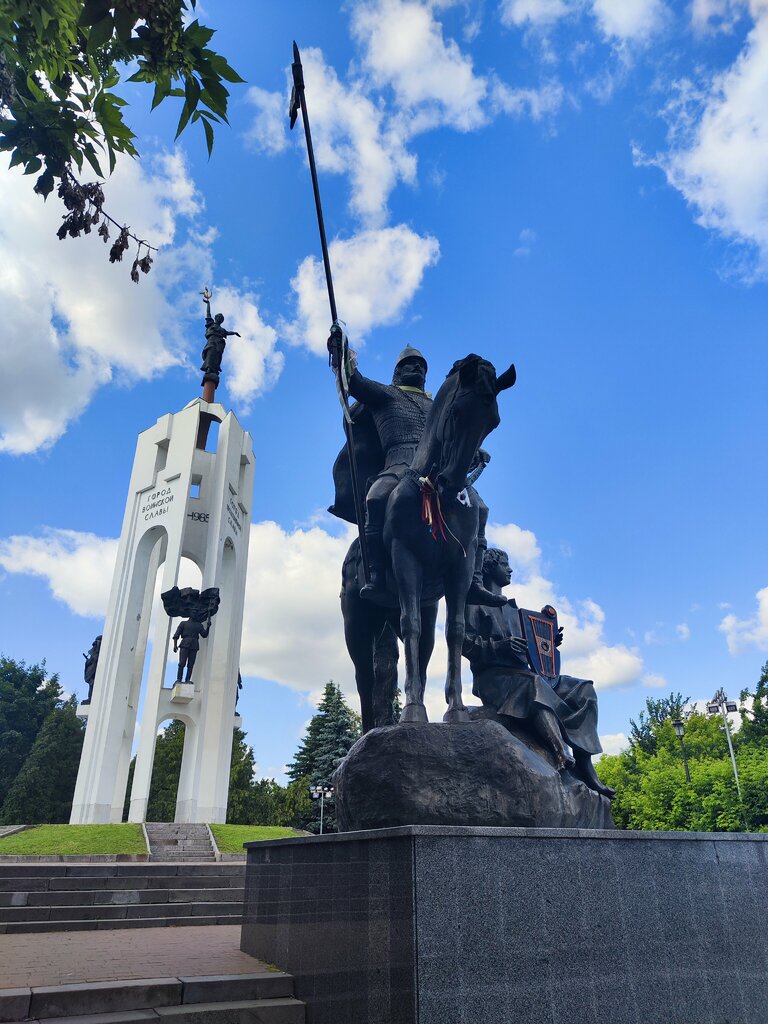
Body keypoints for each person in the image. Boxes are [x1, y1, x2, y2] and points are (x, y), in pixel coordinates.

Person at [335, 332, 502, 607]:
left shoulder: (437, 403)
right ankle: (376, 573)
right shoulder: (385, 394)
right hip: (397, 465)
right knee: (375, 498)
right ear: (397, 371)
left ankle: (474, 580)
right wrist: (340, 351)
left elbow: (456, 431)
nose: (417, 368)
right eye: (409, 364)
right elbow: (355, 382)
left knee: (480, 509)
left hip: (439, 471)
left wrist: (473, 449)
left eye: (421, 366)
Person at [463, 548, 614, 797]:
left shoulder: (516, 611)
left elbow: (533, 651)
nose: (510, 569)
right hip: (493, 678)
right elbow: (462, 642)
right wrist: (499, 646)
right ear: (489, 568)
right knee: (534, 685)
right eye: (505, 564)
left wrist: (549, 641)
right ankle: (560, 754)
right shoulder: (473, 604)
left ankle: (585, 765)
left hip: (525, 673)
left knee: (584, 690)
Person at [201, 291, 240, 383]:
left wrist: (234, 333)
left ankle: (214, 370)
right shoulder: (211, 324)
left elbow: (227, 332)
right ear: (216, 318)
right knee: (210, 355)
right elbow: (208, 313)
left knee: (217, 357)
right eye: (218, 317)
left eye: (221, 319)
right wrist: (208, 304)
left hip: (219, 345)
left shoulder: (222, 330)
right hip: (211, 342)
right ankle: (209, 369)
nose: (219, 319)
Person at [172, 616, 210, 684]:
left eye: (195, 612)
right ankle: (179, 679)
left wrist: (208, 627)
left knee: (191, 664)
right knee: (182, 662)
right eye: (193, 612)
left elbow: (204, 635)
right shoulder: (183, 623)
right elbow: (176, 635)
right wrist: (175, 645)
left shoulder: (199, 625)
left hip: (194, 645)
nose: (194, 613)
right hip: (185, 643)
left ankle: (187, 679)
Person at [82, 634, 102, 704]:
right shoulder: (94, 652)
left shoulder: (99, 652)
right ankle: (90, 698)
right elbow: (90, 660)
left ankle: (91, 698)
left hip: (95, 671)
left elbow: (95, 659)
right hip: (92, 670)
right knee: (91, 684)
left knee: (92, 684)